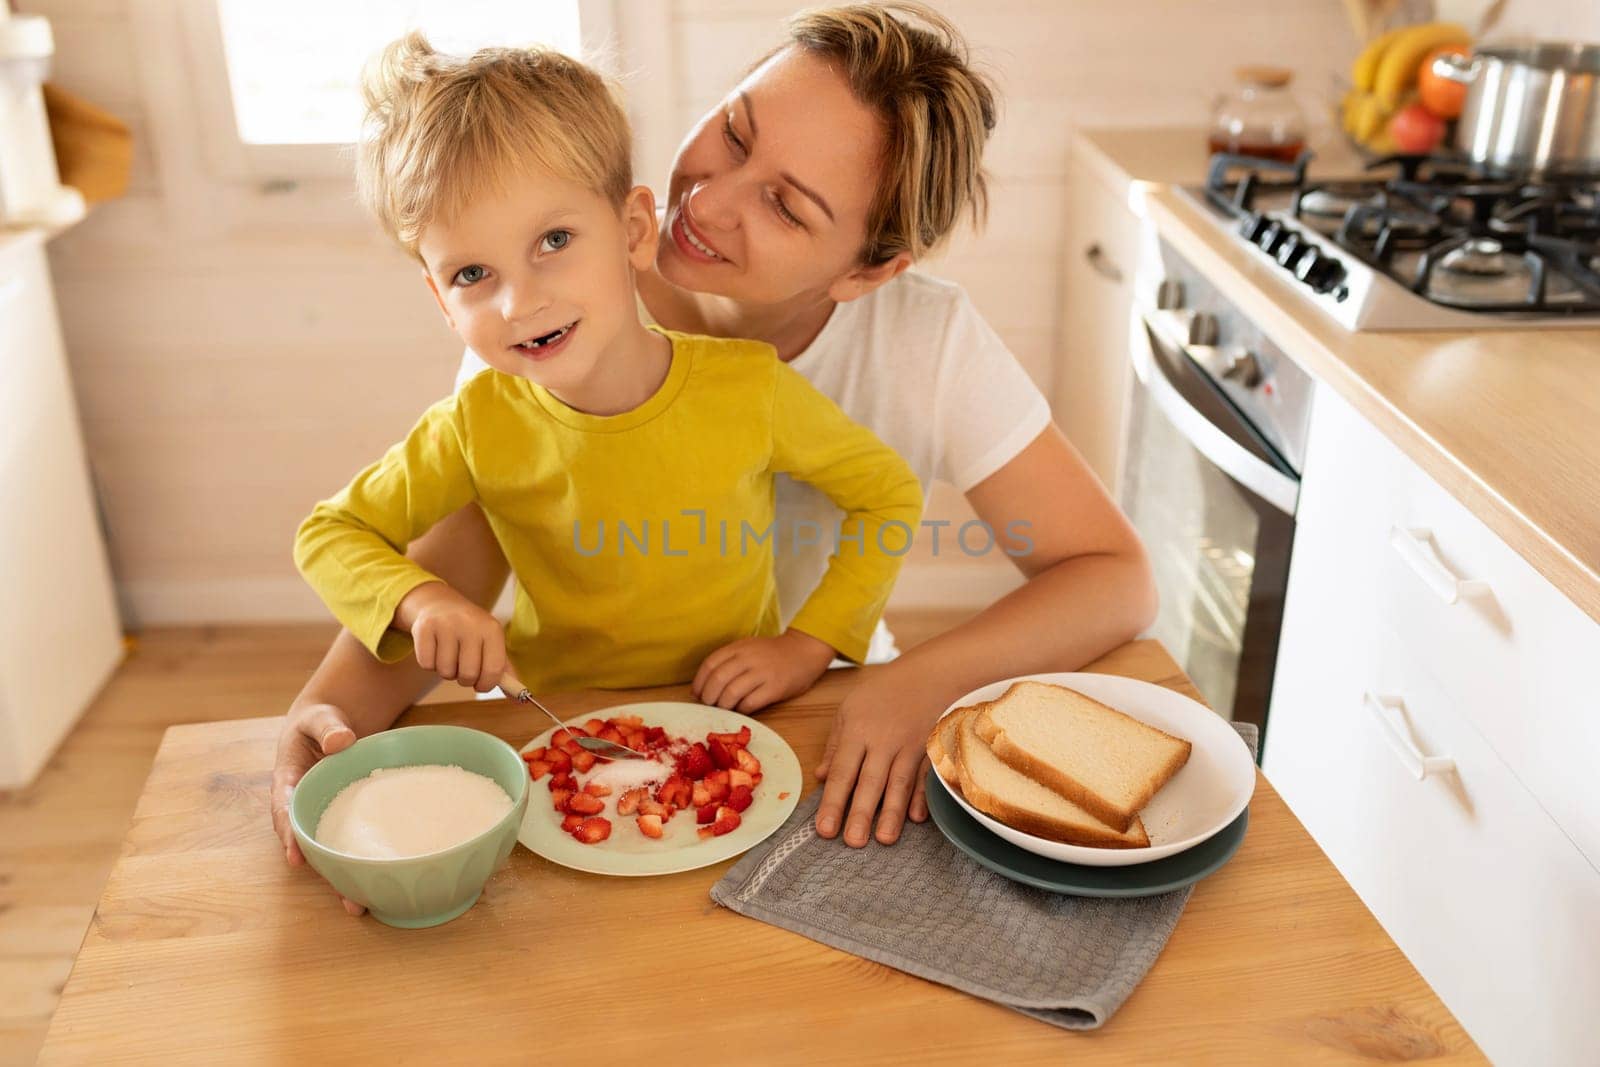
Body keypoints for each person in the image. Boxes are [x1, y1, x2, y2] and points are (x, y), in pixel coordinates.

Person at [273, 4, 1156, 906]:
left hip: (816, 715)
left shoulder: (925, 339)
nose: (710, 200)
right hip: (583, 724)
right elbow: (447, 573)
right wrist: (330, 716)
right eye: (734, 132)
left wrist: (911, 679)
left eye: (785, 204)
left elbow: (1114, 575)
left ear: (865, 271)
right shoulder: (542, 312)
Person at [294, 31, 922, 797]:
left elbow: (887, 493)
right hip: (556, 733)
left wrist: (809, 645)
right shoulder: (472, 423)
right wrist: (417, 600)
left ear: (632, 229)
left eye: (553, 240)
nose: (520, 301)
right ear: (438, 299)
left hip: (732, 728)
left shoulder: (750, 391)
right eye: (471, 273)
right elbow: (328, 534)